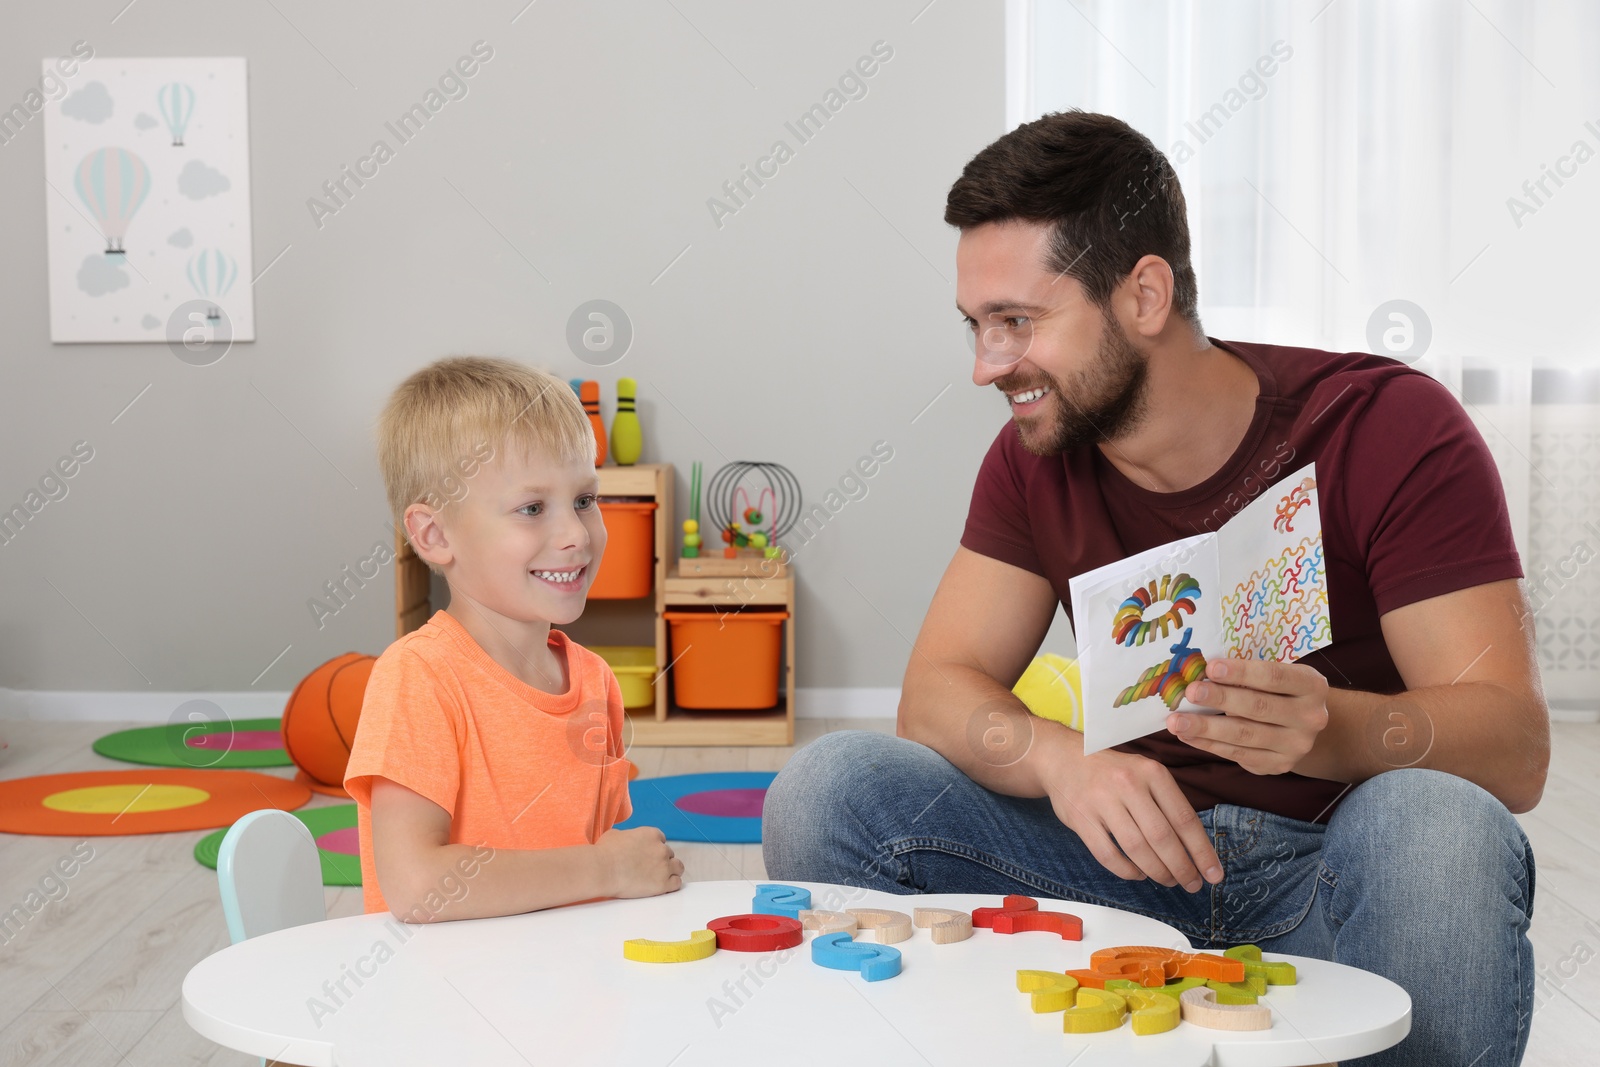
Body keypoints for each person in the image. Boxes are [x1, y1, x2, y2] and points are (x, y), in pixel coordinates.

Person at [763, 112, 1548, 1066]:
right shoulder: (1031, 462)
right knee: (830, 788)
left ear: (1143, 294)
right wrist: (1064, 763)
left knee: (1440, 825)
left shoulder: (1390, 427)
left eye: (1018, 322)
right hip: (1119, 870)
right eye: (977, 327)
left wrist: (1336, 727)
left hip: (1333, 877)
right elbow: (936, 690)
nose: (986, 365)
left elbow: (1514, 749)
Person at [345, 356, 682, 922]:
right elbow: (416, 886)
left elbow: (590, 882)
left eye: (584, 500)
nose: (576, 534)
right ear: (434, 534)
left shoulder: (595, 681)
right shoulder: (420, 677)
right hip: (443, 1000)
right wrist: (608, 869)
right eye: (532, 509)